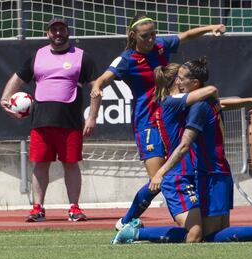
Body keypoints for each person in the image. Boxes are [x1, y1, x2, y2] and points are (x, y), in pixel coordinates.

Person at [111, 60, 252, 244]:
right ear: (176, 82)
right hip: (181, 175)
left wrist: (248, 99)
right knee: (196, 234)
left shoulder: (194, 105)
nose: (181, 82)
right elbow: (209, 96)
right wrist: (161, 172)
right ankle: (134, 231)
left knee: (209, 235)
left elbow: (218, 102)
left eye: (184, 78)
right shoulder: (174, 103)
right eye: (179, 79)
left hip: (201, 173)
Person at [90, 13, 227, 230]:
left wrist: (212, 27)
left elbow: (186, 35)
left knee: (185, 169)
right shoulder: (126, 59)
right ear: (134, 36)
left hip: (172, 118)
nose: (152, 39)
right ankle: (126, 222)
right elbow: (103, 78)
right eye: (146, 35)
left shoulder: (161, 46)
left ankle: (194, 219)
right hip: (148, 124)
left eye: (154, 33)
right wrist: (98, 87)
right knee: (158, 180)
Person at [0, 18, 101, 222]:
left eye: (62, 29)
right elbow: (18, 78)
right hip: (41, 122)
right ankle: (37, 208)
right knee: (40, 165)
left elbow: (96, 89)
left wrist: (92, 117)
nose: (58, 33)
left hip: (70, 122)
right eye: (54, 30)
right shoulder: (37, 56)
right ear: (47, 34)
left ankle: (74, 208)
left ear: (68, 32)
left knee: (71, 164)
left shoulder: (82, 57)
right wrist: (4, 99)